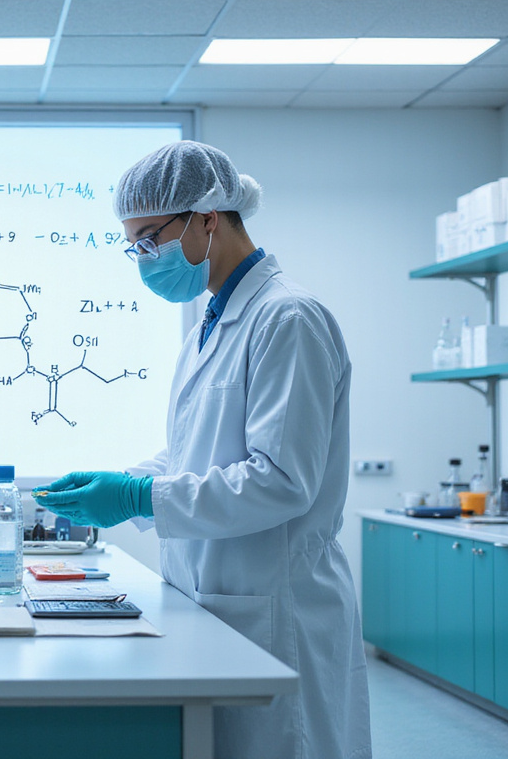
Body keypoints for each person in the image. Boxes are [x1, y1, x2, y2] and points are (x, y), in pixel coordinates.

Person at [37, 142, 371, 758]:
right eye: (134, 247)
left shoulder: (288, 318)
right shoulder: (210, 325)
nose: (143, 260)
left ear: (207, 219)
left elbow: (281, 480)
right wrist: (122, 482)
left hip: (277, 605)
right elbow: (192, 450)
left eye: (148, 241)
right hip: (219, 596)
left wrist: (138, 498)